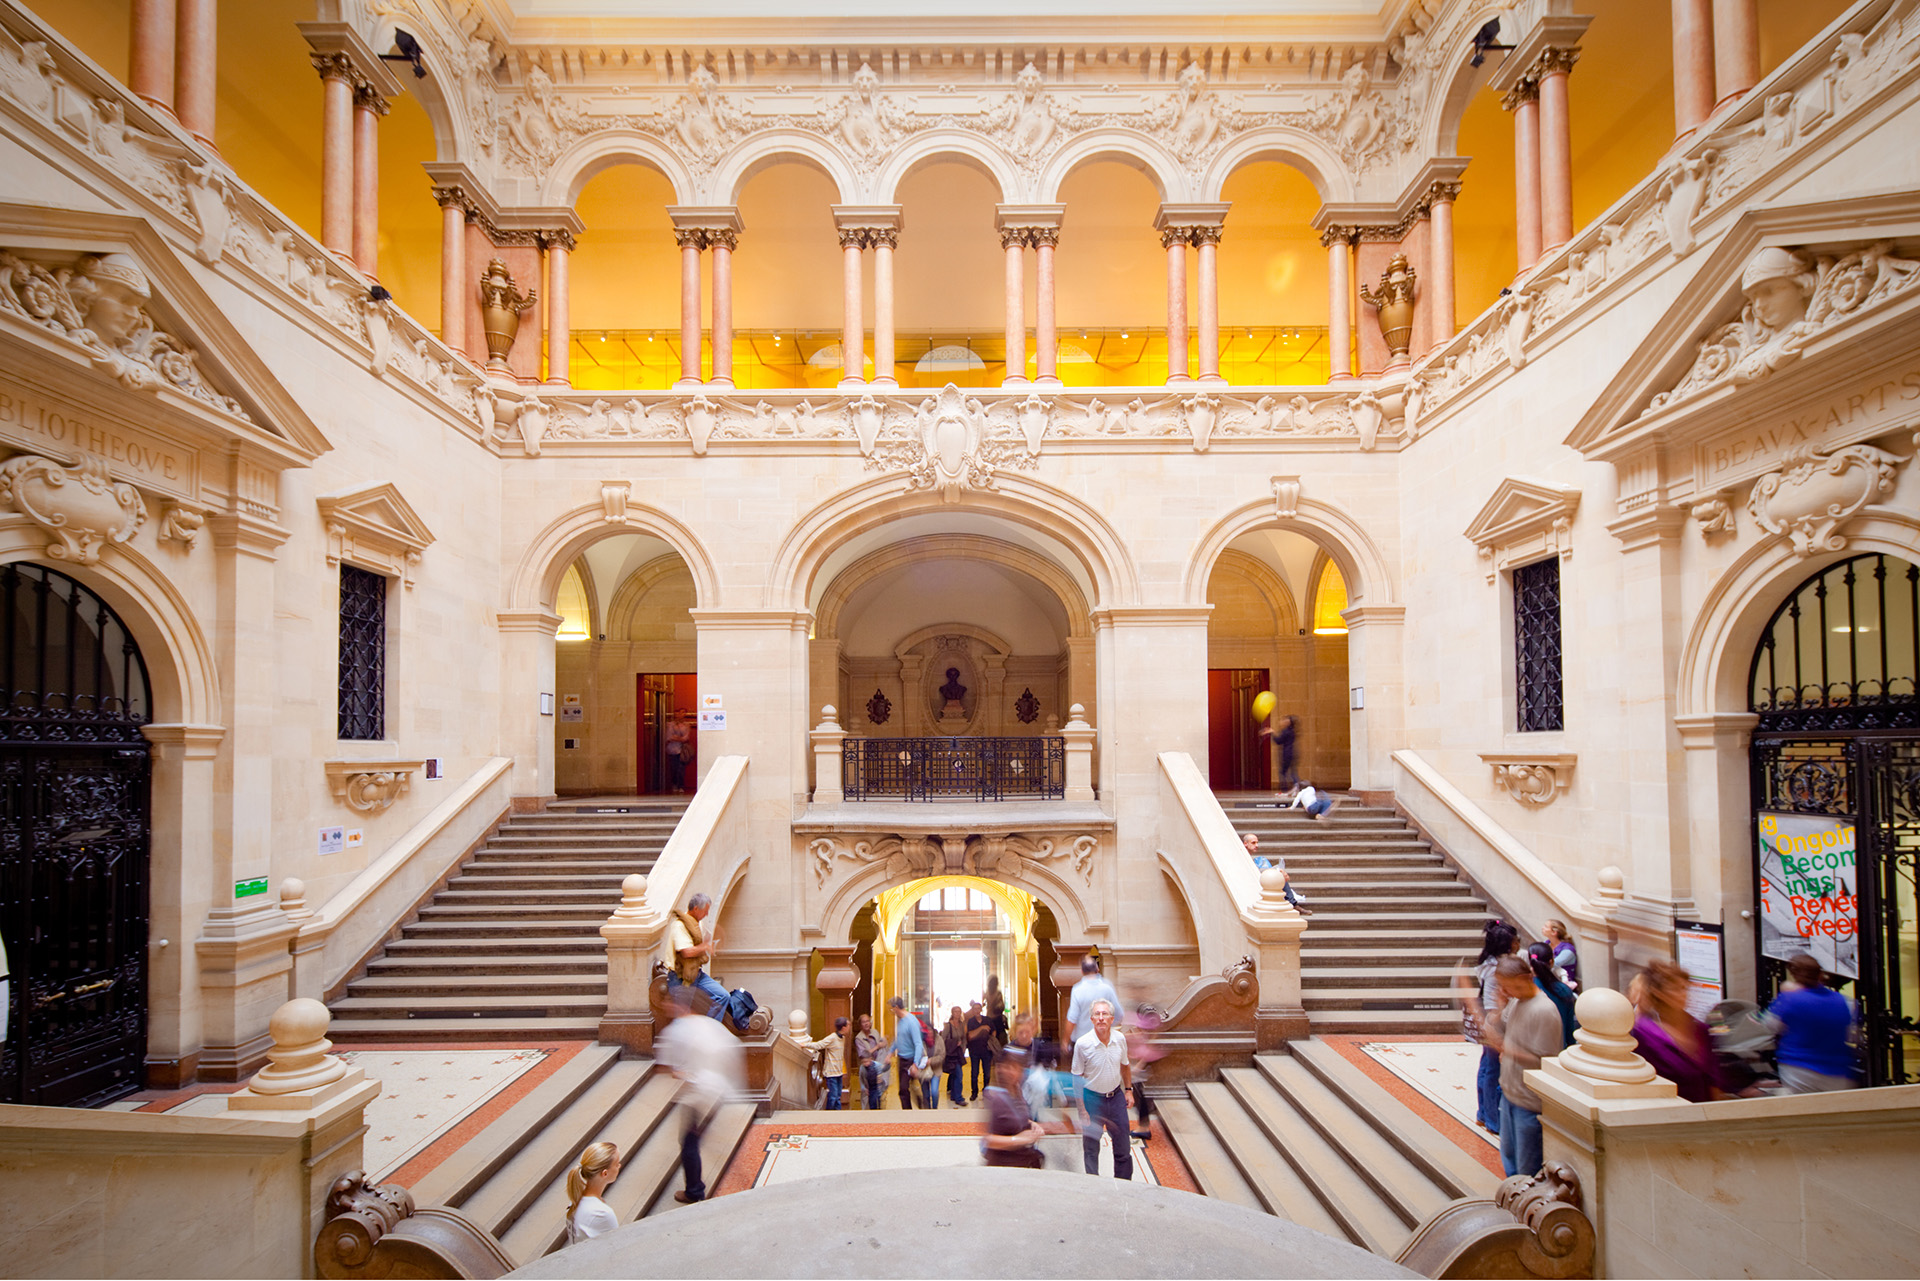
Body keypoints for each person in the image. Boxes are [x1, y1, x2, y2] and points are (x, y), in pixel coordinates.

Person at [655, 987, 744, 1204]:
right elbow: (734, 1048)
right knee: (694, 1134)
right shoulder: (712, 1025)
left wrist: (683, 1073)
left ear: (680, 1006)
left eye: (669, 1003)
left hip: (698, 1091)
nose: (667, 1007)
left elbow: (667, 1067)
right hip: (718, 1089)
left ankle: (694, 1191)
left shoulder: (675, 1031)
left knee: (688, 1141)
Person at [1490, 955, 1563, 1179]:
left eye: (1510, 986)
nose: (1507, 991)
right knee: (1510, 1162)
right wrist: (1500, 1007)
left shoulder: (1544, 1010)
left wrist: (1509, 1050)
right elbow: (1496, 1026)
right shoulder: (1516, 1002)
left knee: (1527, 1171)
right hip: (1510, 1095)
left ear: (1525, 978)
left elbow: (1547, 1061)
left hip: (1529, 1104)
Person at [1631, 958, 1723, 1102]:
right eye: (1675, 989)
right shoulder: (1644, 1035)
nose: (1683, 994)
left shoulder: (1701, 1030)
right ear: (1659, 993)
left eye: (1685, 988)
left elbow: (1713, 1080)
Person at [1458, 919, 1519, 1134]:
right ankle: (1493, 1119)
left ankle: (1484, 1113)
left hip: (1487, 1018)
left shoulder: (1489, 962)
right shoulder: (1495, 969)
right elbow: (1493, 1005)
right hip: (1494, 1020)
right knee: (1493, 1070)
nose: (1518, 943)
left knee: (1486, 1066)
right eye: (1515, 940)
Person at [1766, 953, 1858, 1094]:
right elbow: (1852, 1036)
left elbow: (1769, 1026)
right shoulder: (1845, 1001)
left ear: (1794, 975)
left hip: (1798, 1070)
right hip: (1838, 1072)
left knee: (1801, 1110)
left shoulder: (1789, 999)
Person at [1071, 998, 1134, 1180]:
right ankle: (1094, 1185)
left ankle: (1123, 1185)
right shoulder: (1083, 1044)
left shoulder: (1120, 1039)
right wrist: (1082, 1110)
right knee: (1091, 1149)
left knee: (1123, 1147)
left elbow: (1125, 1065)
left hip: (1115, 1099)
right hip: (1092, 1101)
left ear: (1111, 1018)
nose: (1100, 1018)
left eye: (1104, 1014)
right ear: (1091, 1019)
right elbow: (1077, 1078)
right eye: (1096, 1014)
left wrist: (1128, 1090)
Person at [666, 892, 729, 1021]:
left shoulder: (696, 923)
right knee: (681, 1019)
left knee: (723, 996)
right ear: (696, 909)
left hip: (696, 974)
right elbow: (686, 952)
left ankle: (708, 1028)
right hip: (680, 978)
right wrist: (704, 947)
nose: (706, 914)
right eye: (705, 911)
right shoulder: (679, 925)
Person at [981, 1047, 1047, 1169]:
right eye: (1008, 1067)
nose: (1012, 1072)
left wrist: (1032, 1124)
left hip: (1022, 1165)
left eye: (1016, 1068)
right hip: (1003, 1168)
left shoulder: (1017, 1092)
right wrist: (1018, 1139)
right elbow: (988, 1140)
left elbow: (1016, 1117)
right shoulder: (994, 1096)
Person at [1240, 832, 1311, 916]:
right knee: (1278, 876)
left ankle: (1292, 904)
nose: (1257, 845)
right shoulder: (1241, 856)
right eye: (1253, 843)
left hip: (1259, 877)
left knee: (1280, 876)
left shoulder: (1251, 857)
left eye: (1257, 842)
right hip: (1251, 881)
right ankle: (1292, 904)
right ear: (1245, 844)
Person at [564, 1142, 620, 1245]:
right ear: (605, 1173)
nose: (619, 1166)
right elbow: (617, 1248)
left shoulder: (575, 1201)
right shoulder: (602, 1213)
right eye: (617, 1164)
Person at [1526, 941, 1577, 1048]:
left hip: (1530, 1050)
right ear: (1552, 961)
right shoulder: (1564, 990)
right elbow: (1569, 1027)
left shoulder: (1525, 989)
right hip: (1557, 1048)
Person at [1065, 955, 1121, 1050]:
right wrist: (1106, 1028)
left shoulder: (1077, 990)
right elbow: (1119, 1014)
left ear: (1082, 971)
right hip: (1103, 1041)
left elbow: (1072, 1019)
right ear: (1097, 969)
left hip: (1082, 1042)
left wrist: (1065, 1041)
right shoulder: (1107, 988)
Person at [801, 1016, 849, 1109]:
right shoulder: (832, 1038)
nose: (849, 1028)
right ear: (843, 1027)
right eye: (848, 1025)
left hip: (839, 1072)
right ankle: (828, 1116)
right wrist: (805, 1045)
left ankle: (839, 1117)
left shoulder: (843, 1038)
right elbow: (819, 1044)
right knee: (833, 1097)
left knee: (838, 1096)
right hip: (831, 1073)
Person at [890, 995, 927, 1110]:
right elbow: (899, 1039)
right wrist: (890, 1052)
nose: (891, 1012)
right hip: (901, 1059)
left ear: (896, 1007)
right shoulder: (900, 1022)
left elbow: (918, 1043)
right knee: (904, 1088)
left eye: (892, 1009)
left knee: (903, 1088)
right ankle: (913, 1106)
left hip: (910, 1059)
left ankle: (909, 1112)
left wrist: (915, 1064)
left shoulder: (911, 1022)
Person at [854, 1012, 887, 1110]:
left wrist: (884, 1043)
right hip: (867, 1069)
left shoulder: (875, 1032)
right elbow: (864, 1054)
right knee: (866, 1093)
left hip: (876, 1066)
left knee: (879, 1091)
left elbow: (882, 1043)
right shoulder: (858, 1038)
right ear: (860, 1025)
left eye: (868, 1021)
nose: (866, 1023)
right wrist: (877, 1046)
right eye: (864, 1022)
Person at [1259, 712, 1298, 790]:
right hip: (1292, 753)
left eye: (1284, 720)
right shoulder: (1292, 731)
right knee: (1292, 771)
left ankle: (1285, 790)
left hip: (1286, 754)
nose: (1282, 722)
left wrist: (1272, 732)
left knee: (1283, 772)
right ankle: (1296, 787)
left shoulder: (1286, 731)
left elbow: (1278, 741)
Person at [965, 1000, 993, 1100]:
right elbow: (970, 1036)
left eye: (978, 1008)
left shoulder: (988, 1020)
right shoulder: (971, 1021)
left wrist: (991, 1041)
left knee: (987, 1073)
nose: (977, 1011)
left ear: (981, 1009)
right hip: (974, 1051)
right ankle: (974, 1092)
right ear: (972, 1010)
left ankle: (986, 1091)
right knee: (974, 1073)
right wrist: (982, 1028)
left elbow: (993, 1032)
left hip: (986, 1050)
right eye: (975, 1009)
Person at [942, 1006, 968, 1106]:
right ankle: (958, 1097)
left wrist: (963, 1047)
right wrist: (952, 1044)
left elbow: (964, 1038)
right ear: (952, 1013)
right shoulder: (948, 1025)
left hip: (958, 1053)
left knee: (955, 1073)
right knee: (958, 1074)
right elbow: (943, 1038)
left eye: (959, 1012)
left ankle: (954, 1094)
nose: (957, 1013)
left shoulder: (962, 1025)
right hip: (951, 1053)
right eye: (955, 1012)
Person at [1543, 919, 1579, 991]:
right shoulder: (1547, 943)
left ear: (1554, 932)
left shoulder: (1567, 950)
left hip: (1562, 985)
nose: (1542, 928)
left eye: (1546, 926)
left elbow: (1552, 964)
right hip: (1549, 979)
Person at [664, 710, 693, 792]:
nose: (680, 715)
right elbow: (669, 737)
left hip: (682, 750)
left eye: (682, 713)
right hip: (672, 750)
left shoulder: (686, 725)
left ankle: (681, 785)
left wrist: (677, 738)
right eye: (678, 713)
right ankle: (674, 784)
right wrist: (680, 738)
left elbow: (686, 738)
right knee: (674, 767)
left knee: (681, 768)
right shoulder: (670, 724)